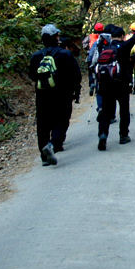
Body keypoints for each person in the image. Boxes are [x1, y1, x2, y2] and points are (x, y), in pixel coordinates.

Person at [96, 10, 135, 151]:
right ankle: (123, 135)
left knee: (106, 111)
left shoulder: (104, 47)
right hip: (122, 84)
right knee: (124, 109)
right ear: (121, 36)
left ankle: (103, 134)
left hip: (106, 84)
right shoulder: (125, 46)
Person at [28, 24, 81, 166]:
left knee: (43, 125)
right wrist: (76, 91)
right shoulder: (65, 54)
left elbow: (32, 76)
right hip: (62, 95)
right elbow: (76, 75)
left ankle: (44, 157)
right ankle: (52, 145)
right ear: (56, 37)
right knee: (61, 121)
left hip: (42, 95)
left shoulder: (36, 56)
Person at [83, 22, 104, 96]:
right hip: (101, 57)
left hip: (91, 56)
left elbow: (84, 45)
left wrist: (89, 48)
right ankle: (98, 86)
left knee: (90, 71)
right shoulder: (103, 37)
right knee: (99, 72)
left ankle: (92, 83)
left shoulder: (90, 36)